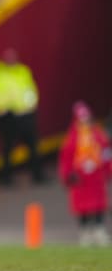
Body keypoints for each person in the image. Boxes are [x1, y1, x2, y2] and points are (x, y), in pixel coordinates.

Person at [0, 48, 44, 185]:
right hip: (9, 116)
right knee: (8, 149)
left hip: (26, 113)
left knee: (33, 147)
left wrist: (32, 106)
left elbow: (30, 89)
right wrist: (2, 111)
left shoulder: (23, 71)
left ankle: (38, 175)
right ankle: (6, 178)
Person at [58, 101, 111, 246]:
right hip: (81, 179)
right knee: (82, 206)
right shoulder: (72, 139)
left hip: (96, 178)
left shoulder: (98, 136)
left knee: (99, 204)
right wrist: (68, 175)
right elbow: (66, 159)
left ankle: (99, 230)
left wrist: (108, 170)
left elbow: (106, 153)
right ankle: (85, 232)